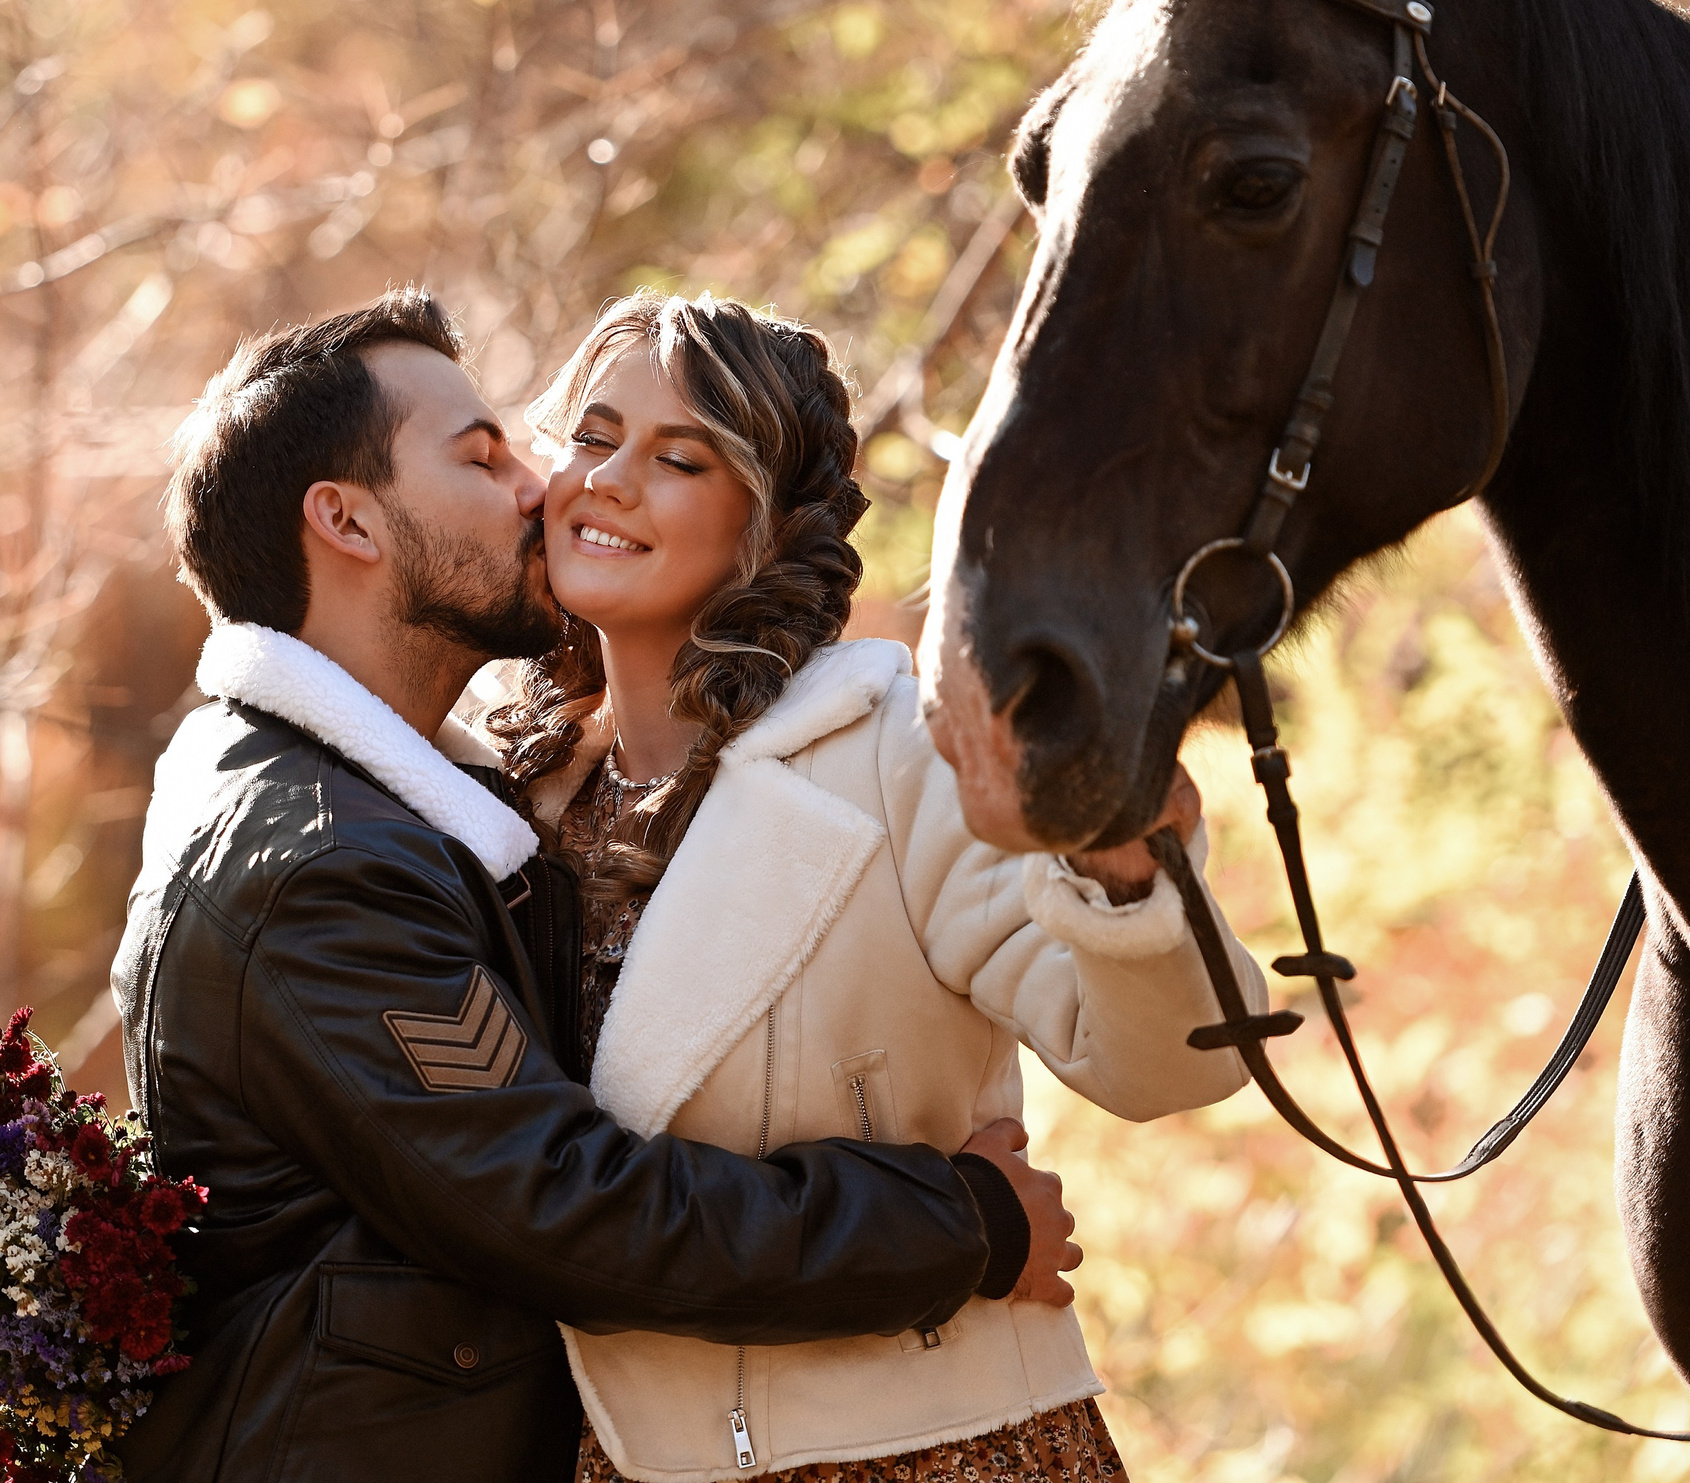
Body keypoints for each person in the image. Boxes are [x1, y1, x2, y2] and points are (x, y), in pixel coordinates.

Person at [112, 289, 1084, 1483]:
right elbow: (566, 1206)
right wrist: (964, 1224)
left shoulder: (386, 805)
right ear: (348, 523)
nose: (540, 487)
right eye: (481, 456)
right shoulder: (323, 862)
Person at [488, 293, 1272, 1483]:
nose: (610, 482)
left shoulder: (890, 754)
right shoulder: (497, 790)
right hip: (615, 1457)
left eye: (680, 458)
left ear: (767, 524)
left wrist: (1123, 869)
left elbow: (1172, 1062)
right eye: (592, 440)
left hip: (929, 1444)